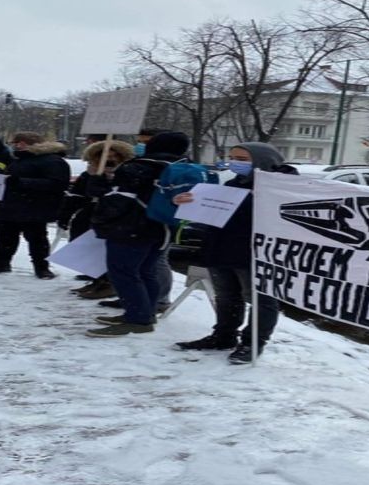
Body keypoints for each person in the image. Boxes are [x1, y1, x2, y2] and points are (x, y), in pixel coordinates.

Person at [174, 142, 297, 364]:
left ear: (262, 161)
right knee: (226, 297)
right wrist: (189, 203)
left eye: (242, 159)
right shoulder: (233, 183)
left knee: (260, 300)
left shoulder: (283, 188)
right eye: (233, 158)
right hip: (222, 249)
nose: (235, 163)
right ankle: (223, 335)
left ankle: (252, 344)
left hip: (256, 254)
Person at [86, 131, 189, 337]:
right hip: (162, 227)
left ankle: (138, 319)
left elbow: (117, 200)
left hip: (131, 228)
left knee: (124, 272)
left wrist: (98, 188)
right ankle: (145, 313)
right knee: (146, 272)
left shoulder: (139, 167)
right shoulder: (182, 167)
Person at [0, 132, 70, 279]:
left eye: (20, 142)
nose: (16, 145)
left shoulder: (52, 161)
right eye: (15, 143)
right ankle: (0, 263)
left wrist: (20, 182)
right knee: (5, 237)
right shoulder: (19, 159)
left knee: (37, 238)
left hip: (34, 206)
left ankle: (41, 267)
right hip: (9, 206)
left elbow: (57, 184)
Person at [57, 140, 135, 299]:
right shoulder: (89, 174)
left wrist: (101, 180)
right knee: (87, 248)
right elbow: (76, 196)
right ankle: (97, 279)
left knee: (106, 251)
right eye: (105, 156)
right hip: (89, 215)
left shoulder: (126, 174)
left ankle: (108, 283)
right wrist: (65, 216)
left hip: (112, 218)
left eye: (114, 156)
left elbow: (107, 194)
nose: (109, 160)